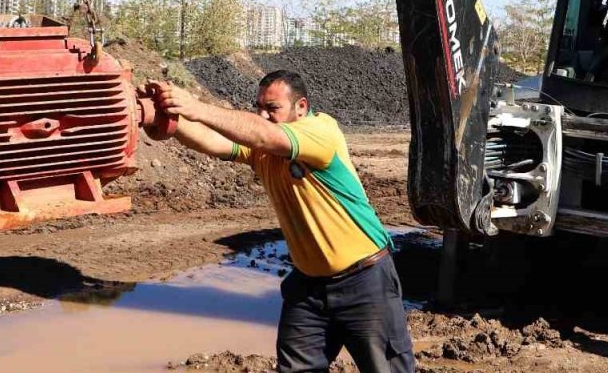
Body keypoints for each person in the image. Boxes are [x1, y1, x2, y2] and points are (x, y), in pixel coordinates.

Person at [151, 70, 414, 373]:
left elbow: (264, 133)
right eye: (259, 107)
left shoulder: (321, 132)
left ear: (301, 107)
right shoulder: (263, 150)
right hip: (309, 288)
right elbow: (214, 141)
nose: (263, 115)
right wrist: (164, 120)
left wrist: (196, 107)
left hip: (364, 281)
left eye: (272, 109)